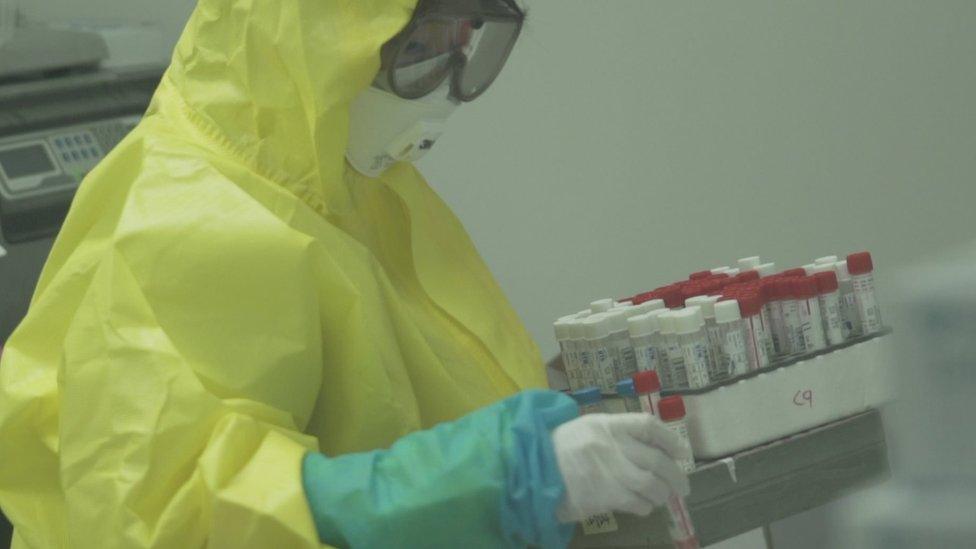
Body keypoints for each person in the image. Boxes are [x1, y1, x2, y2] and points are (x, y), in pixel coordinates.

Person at [0, 0, 690, 547]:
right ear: (323, 35)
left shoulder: (355, 188)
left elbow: (412, 403)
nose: (442, 90)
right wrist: (500, 478)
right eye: (417, 49)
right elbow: (179, 522)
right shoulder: (191, 222)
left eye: (464, 45)